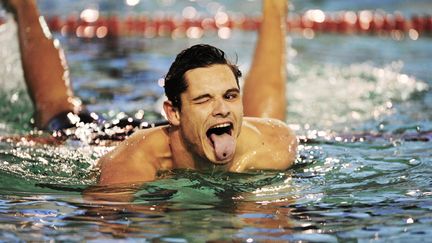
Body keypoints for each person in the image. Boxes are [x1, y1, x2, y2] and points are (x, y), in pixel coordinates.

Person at [3, 0, 298, 185]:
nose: (221, 108)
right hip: (100, 139)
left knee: (263, 119)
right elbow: (102, 228)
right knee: (56, 110)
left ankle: (274, 6)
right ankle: (24, 4)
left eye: (230, 96)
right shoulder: (130, 165)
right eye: (203, 98)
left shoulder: (272, 144)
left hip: (191, 135)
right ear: (173, 112)